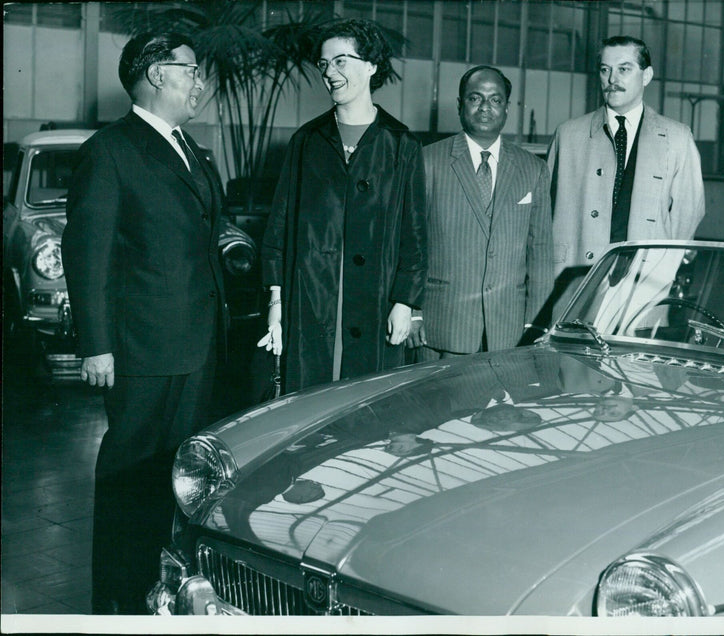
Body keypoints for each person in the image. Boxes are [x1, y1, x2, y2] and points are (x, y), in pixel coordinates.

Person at [62, 32, 226, 614]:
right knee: (131, 484)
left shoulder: (193, 148)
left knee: (179, 485)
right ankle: (116, 607)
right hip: (141, 352)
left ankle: (166, 600)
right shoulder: (111, 149)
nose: (199, 83)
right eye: (191, 71)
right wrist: (96, 346)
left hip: (197, 347)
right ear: (158, 75)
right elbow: (86, 252)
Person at [259, 19, 426, 393]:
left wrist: (404, 303)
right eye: (323, 64)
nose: (329, 73)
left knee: (366, 410)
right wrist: (276, 302)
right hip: (312, 301)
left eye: (340, 61)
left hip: (376, 304)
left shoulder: (402, 145)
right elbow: (278, 229)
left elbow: (414, 234)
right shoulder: (306, 141)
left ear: (371, 65)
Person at [546, 35, 705, 318]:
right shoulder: (568, 135)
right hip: (574, 280)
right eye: (605, 69)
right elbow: (546, 207)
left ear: (647, 75)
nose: (612, 79)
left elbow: (689, 212)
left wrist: (663, 266)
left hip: (644, 286)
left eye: (624, 68)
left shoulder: (677, 138)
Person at [408, 65, 554, 359]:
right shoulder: (427, 161)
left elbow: (539, 252)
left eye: (495, 99)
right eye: (475, 98)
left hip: (510, 333)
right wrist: (412, 312)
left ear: (507, 108)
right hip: (441, 330)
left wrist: (536, 323)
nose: (485, 107)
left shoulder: (533, 169)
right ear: (461, 106)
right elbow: (409, 243)